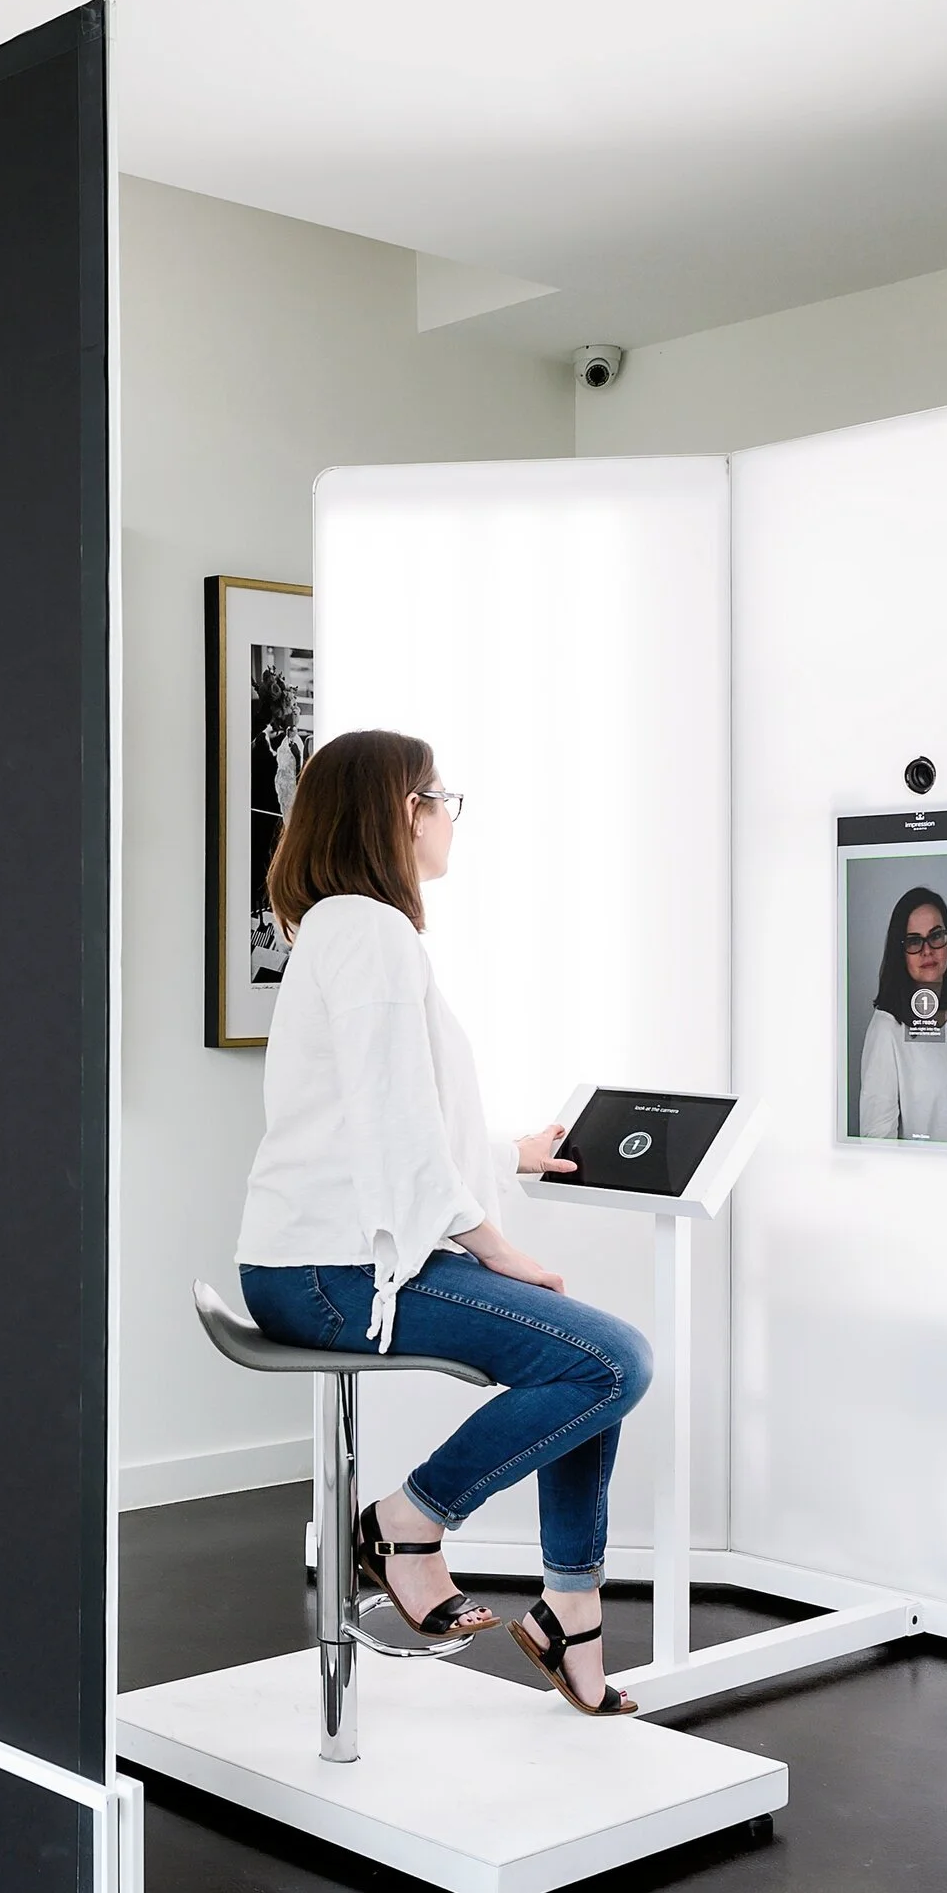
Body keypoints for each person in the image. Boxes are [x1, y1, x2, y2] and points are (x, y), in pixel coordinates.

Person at [236, 729, 654, 1716]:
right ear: (399, 811)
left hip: (315, 1257)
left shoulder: (347, 929)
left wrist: (508, 1150)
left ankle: (568, 1614)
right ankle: (404, 1523)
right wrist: (496, 1244)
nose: (448, 814)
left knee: (587, 1360)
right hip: (324, 1271)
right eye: (440, 795)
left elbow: (390, 1114)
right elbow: (393, 1126)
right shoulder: (369, 931)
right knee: (607, 1360)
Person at [857, 886, 947, 1145]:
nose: (927, 950)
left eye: (936, 936)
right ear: (899, 953)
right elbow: (877, 1138)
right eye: (914, 941)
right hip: (920, 1181)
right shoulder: (886, 1026)